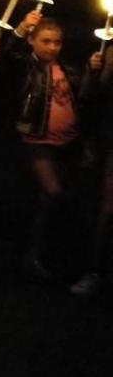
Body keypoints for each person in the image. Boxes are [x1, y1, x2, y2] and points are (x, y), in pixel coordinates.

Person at [3, 10, 94, 280]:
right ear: (32, 41)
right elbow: (9, 56)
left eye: (57, 42)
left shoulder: (66, 68)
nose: (52, 47)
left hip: (69, 142)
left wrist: (93, 70)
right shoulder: (27, 67)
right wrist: (20, 29)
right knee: (54, 193)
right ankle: (33, 254)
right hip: (39, 141)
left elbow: (83, 101)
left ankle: (51, 253)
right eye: (46, 41)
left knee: (63, 199)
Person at [72, 41, 113, 298]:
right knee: (109, 208)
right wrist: (92, 71)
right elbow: (89, 96)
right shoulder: (108, 53)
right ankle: (96, 270)